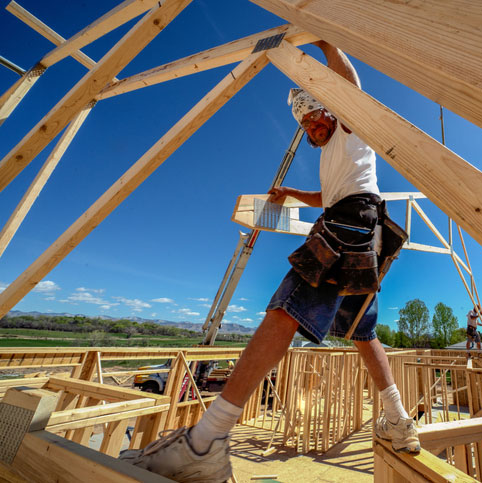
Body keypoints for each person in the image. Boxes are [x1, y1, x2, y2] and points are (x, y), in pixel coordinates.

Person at [119, 41, 420, 482]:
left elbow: (350, 86)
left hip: (347, 225)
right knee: (362, 331)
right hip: (363, 231)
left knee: (284, 312)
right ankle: (397, 420)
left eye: (317, 115)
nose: (312, 126)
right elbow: (328, 196)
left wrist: (324, 42)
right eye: (305, 122)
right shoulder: (336, 158)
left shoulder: (352, 130)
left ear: (332, 110)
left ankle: (206, 441)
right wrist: (291, 195)